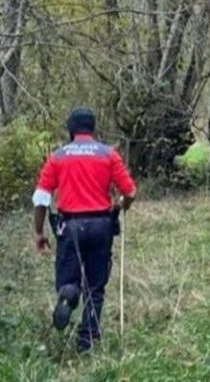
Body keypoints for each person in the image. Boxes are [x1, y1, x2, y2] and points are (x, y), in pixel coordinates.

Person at [32, 107, 137, 353]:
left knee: (68, 278)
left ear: (70, 129)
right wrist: (121, 206)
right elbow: (130, 192)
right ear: (93, 129)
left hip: (69, 226)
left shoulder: (57, 156)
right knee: (96, 285)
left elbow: (41, 198)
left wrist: (38, 232)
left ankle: (68, 293)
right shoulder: (108, 154)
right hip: (101, 224)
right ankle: (86, 340)